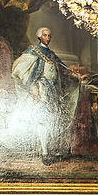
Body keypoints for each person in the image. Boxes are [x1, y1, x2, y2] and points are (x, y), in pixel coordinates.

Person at [11, 26, 85, 165]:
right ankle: (44, 153)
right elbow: (19, 69)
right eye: (45, 35)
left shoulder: (51, 54)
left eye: (49, 35)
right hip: (41, 90)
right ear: (39, 37)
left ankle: (51, 150)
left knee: (53, 119)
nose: (48, 38)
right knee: (43, 120)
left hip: (53, 90)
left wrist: (75, 75)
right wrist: (32, 87)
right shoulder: (33, 51)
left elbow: (62, 69)